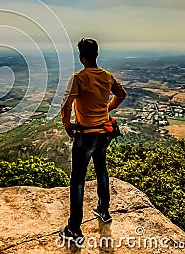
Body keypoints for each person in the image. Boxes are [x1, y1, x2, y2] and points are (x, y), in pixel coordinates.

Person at [59, 38, 127, 243]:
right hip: (104, 133)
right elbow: (121, 94)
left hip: (86, 135)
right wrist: (107, 108)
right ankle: (103, 211)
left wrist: (68, 125)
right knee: (101, 169)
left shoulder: (78, 77)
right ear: (96, 54)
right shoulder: (106, 76)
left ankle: (74, 228)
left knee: (78, 179)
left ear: (81, 56)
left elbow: (66, 105)